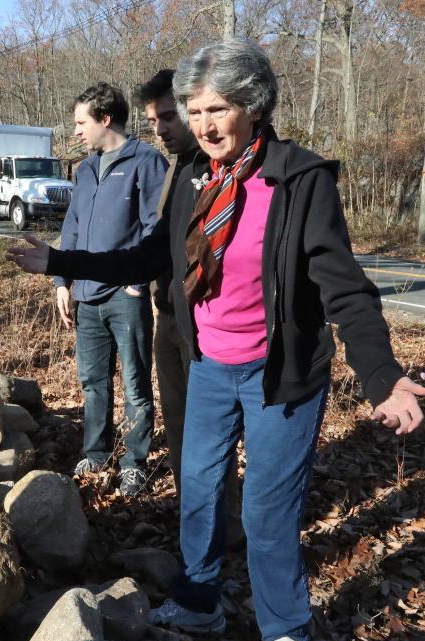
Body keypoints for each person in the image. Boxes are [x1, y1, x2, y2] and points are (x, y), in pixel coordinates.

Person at [8, 39, 425, 641]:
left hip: (278, 377)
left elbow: (345, 289)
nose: (204, 124)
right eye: (194, 110)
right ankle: (200, 597)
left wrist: (380, 375)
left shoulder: (299, 180)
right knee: (198, 487)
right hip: (209, 365)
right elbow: (147, 259)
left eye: (218, 109)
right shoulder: (196, 180)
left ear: (253, 106)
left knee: (265, 508)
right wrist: (60, 262)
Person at [136, 70, 244, 556]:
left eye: (166, 117)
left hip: (201, 326)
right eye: (153, 120)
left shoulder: (217, 165)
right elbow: (164, 246)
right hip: (168, 316)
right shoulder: (178, 167)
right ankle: (196, 526)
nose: (160, 128)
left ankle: (226, 531)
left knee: (209, 440)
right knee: (178, 429)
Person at [55, 82, 167, 496]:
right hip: (85, 296)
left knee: (136, 382)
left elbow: (156, 228)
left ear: (105, 119)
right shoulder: (85, 169)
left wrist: (139, 281)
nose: (77, 132)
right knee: (92, 381)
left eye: (81, 123)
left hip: (126, 295)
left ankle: (135, 461)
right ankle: (96, 453)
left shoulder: (146, 161)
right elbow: (73, 227)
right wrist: (62, 281)